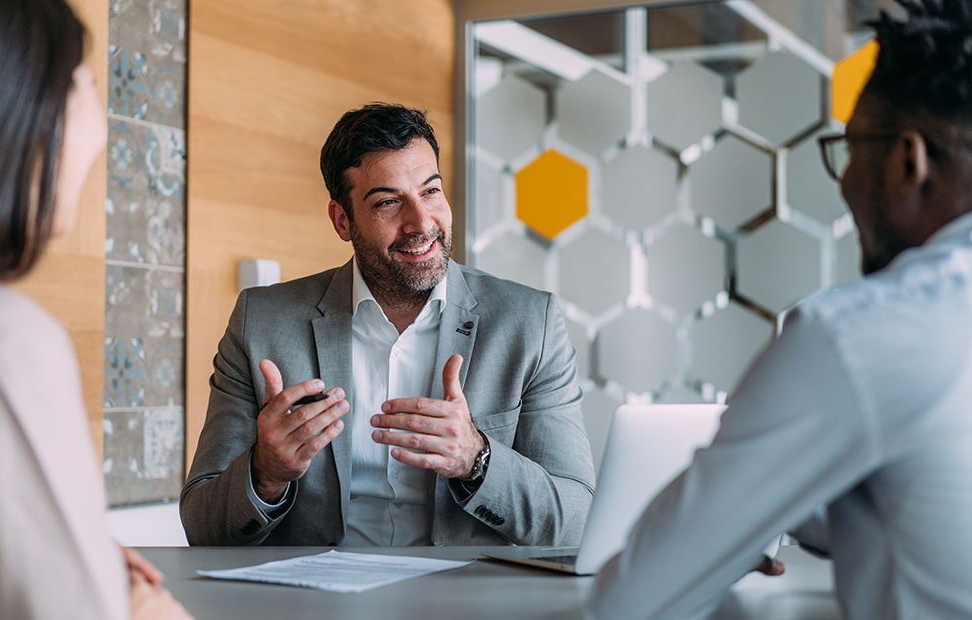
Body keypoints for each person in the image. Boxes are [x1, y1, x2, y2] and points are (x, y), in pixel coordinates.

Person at [589, 1, 972, 618]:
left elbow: (629, 604)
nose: (844, 182)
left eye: (850, 150)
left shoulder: (858, 333)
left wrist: (724, 524)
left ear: (909, 160)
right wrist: (774, 498)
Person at [181, 104, 595, 547]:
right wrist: (265, 473)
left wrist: (477, 458)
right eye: (388, 202)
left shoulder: (531, 323)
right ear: (343, 220)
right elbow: (203, 528)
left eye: (431, 191)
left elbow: (573, 520)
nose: (421, 223)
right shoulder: (261, 322)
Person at [0, 0, 192, 618]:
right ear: (16, 107)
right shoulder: (6, 341)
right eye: (84, 84)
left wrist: (81, 556)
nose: (100, 125)